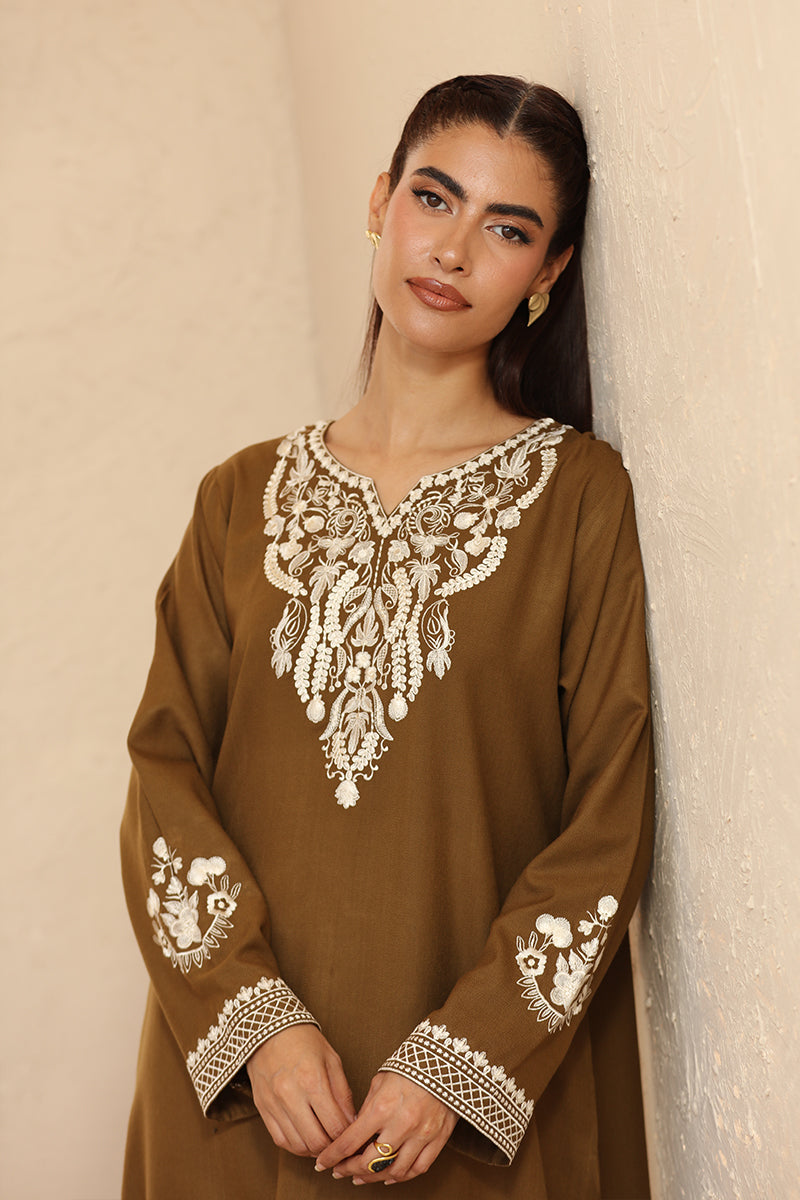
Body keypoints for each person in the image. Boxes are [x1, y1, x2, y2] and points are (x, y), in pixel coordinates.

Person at [120, 74, 655, 1199]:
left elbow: (607, 820)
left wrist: (457, 1065)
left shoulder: (577, 499)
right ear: (380, 201)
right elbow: (164, 777)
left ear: (547, 272)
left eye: (505, 229)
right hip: (242, 1102)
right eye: (433, 198)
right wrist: (253, 1024)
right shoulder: (239, 499)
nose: (452, 250)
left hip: (465, 1120)